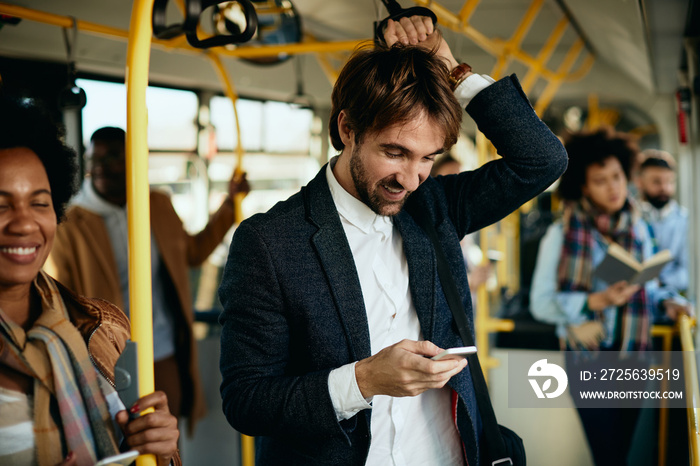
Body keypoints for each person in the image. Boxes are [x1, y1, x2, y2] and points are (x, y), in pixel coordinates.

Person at [218, 16, 567, 465]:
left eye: (428, 158)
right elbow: (247, 400)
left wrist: (448, 67)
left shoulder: (434, 208)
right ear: (347, 129)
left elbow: (542, 159)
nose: (410, 179)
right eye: (394, 152)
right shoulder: (270, 242)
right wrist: (363, 380)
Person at [0, 93, 179, 466]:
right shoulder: (79, 226)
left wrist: (162, 453)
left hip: (157, 346)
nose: (23, 223)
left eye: (39, 202)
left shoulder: (98, 327)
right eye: (0, 204)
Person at [44, 126, 249, 435]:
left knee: (166, 440)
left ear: (132, 159)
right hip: (105, 359)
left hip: (164, 350)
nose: (100, 165)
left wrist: (230, 204)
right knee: (115, 440)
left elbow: (192, 253)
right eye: (93, 157)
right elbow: (57, 299)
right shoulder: (72, 224)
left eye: (112, 156)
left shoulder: (158, 205)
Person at [529, 127, 689, 465]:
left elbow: (647, 285)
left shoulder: (639, 228)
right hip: (589, 358)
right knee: (608, 454)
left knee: (626, 452)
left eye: (617, 176)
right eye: (601, 180)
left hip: (634, 356)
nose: (614, 187)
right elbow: (540, 303)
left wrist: (665, 300)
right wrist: (594, 302)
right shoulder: (561, 235)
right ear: (583, 187)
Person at [431, 154, 492, 293]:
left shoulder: (467, 227)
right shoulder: (431, 228)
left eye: (460, 177)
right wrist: (471, 281)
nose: (456, 188)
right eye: (450, 179)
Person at [635, 149, 689, 297]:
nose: (664, 188)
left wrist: (659, 282)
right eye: (656, 181)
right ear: (639, 182)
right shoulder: (630, 217)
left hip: (671, 297)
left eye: (670, 182)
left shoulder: (684, 220)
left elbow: (689, 272)